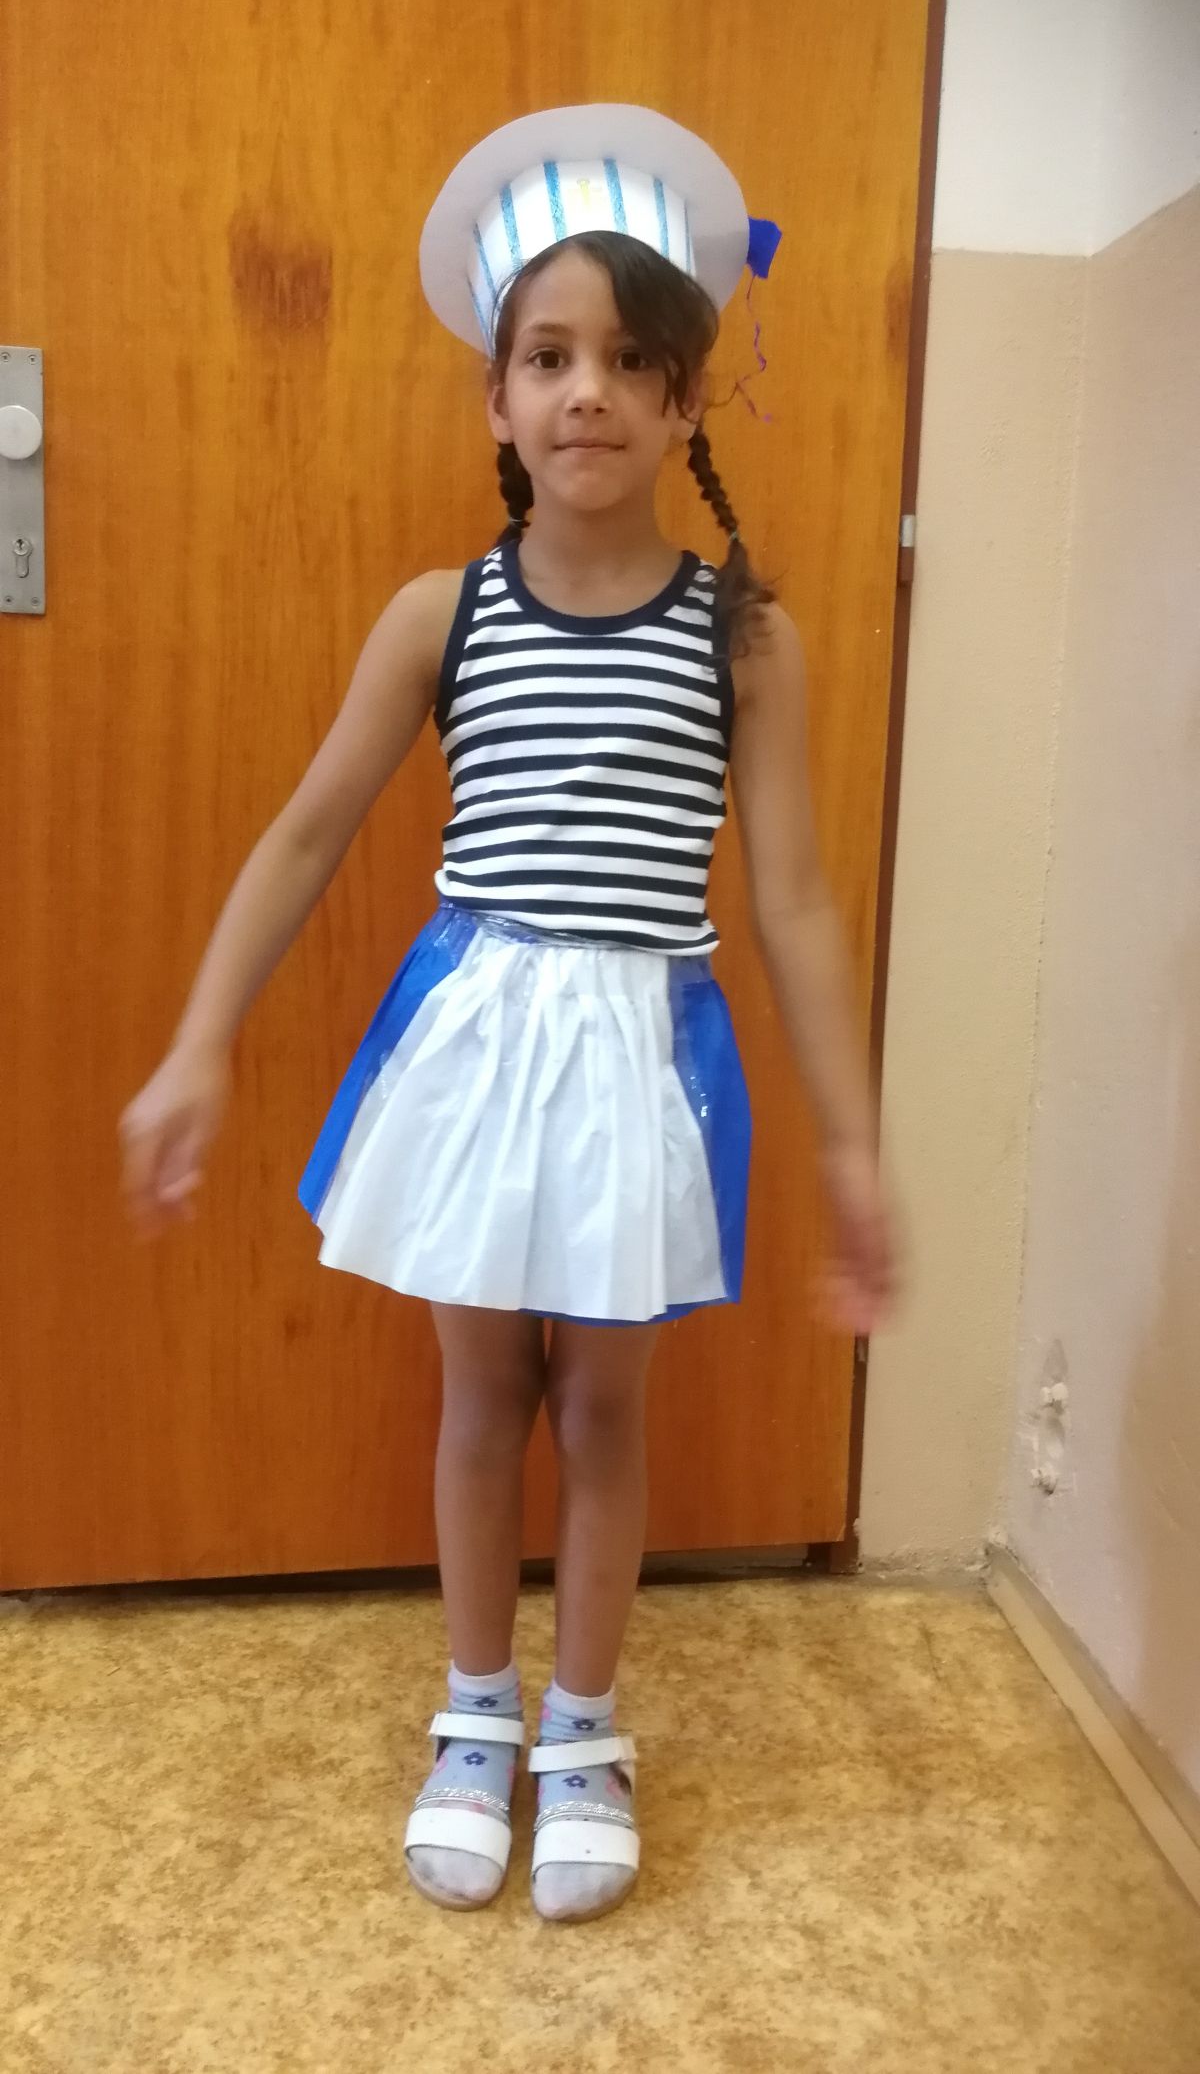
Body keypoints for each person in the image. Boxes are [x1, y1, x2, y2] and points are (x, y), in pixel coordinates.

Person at [119, 104, 900, 1926]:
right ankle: (475, 1713)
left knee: (605, 1404)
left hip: (641, 1049)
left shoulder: (743, 638)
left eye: (630, 361)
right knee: (483, 1389)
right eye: (548, 357)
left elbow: (791, 900)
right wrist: (198, 1040)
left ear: (687, 399)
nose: (586, 393)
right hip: (474, 1040)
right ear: (495, 395)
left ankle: (585, 1728)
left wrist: (858, 1147)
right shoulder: (441, 614)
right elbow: (305, 831)